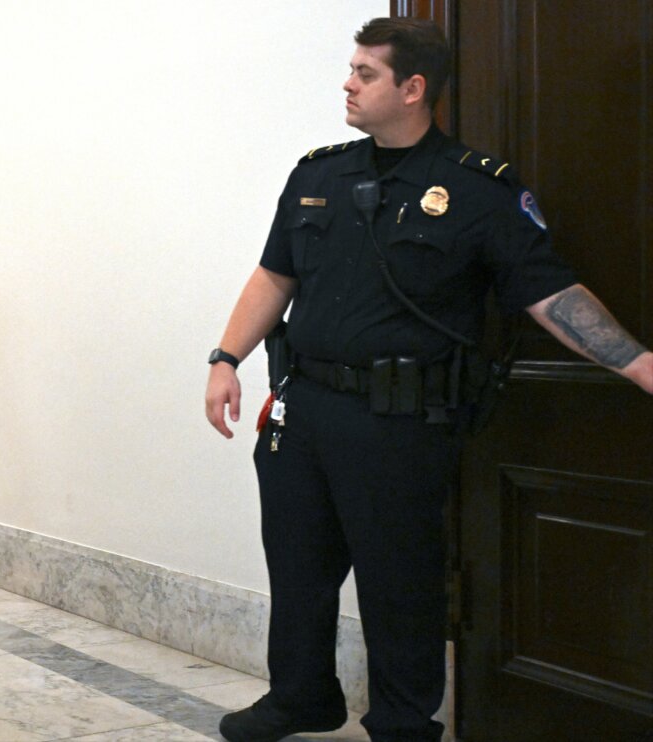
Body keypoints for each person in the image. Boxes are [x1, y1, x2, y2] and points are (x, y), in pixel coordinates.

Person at [204, 18, 652, 742]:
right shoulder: (318, 173)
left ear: (413, 90)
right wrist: (225, 359)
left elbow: (549, 294)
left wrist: (639, 363)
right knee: (297, 571)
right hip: (303, 408)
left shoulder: (478, 190)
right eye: (350, 69)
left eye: (365, 73)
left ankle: (405, 724)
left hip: (398, 423)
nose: (347, 84)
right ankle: (301, 697)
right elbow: (274, 274)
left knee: (398, 585)